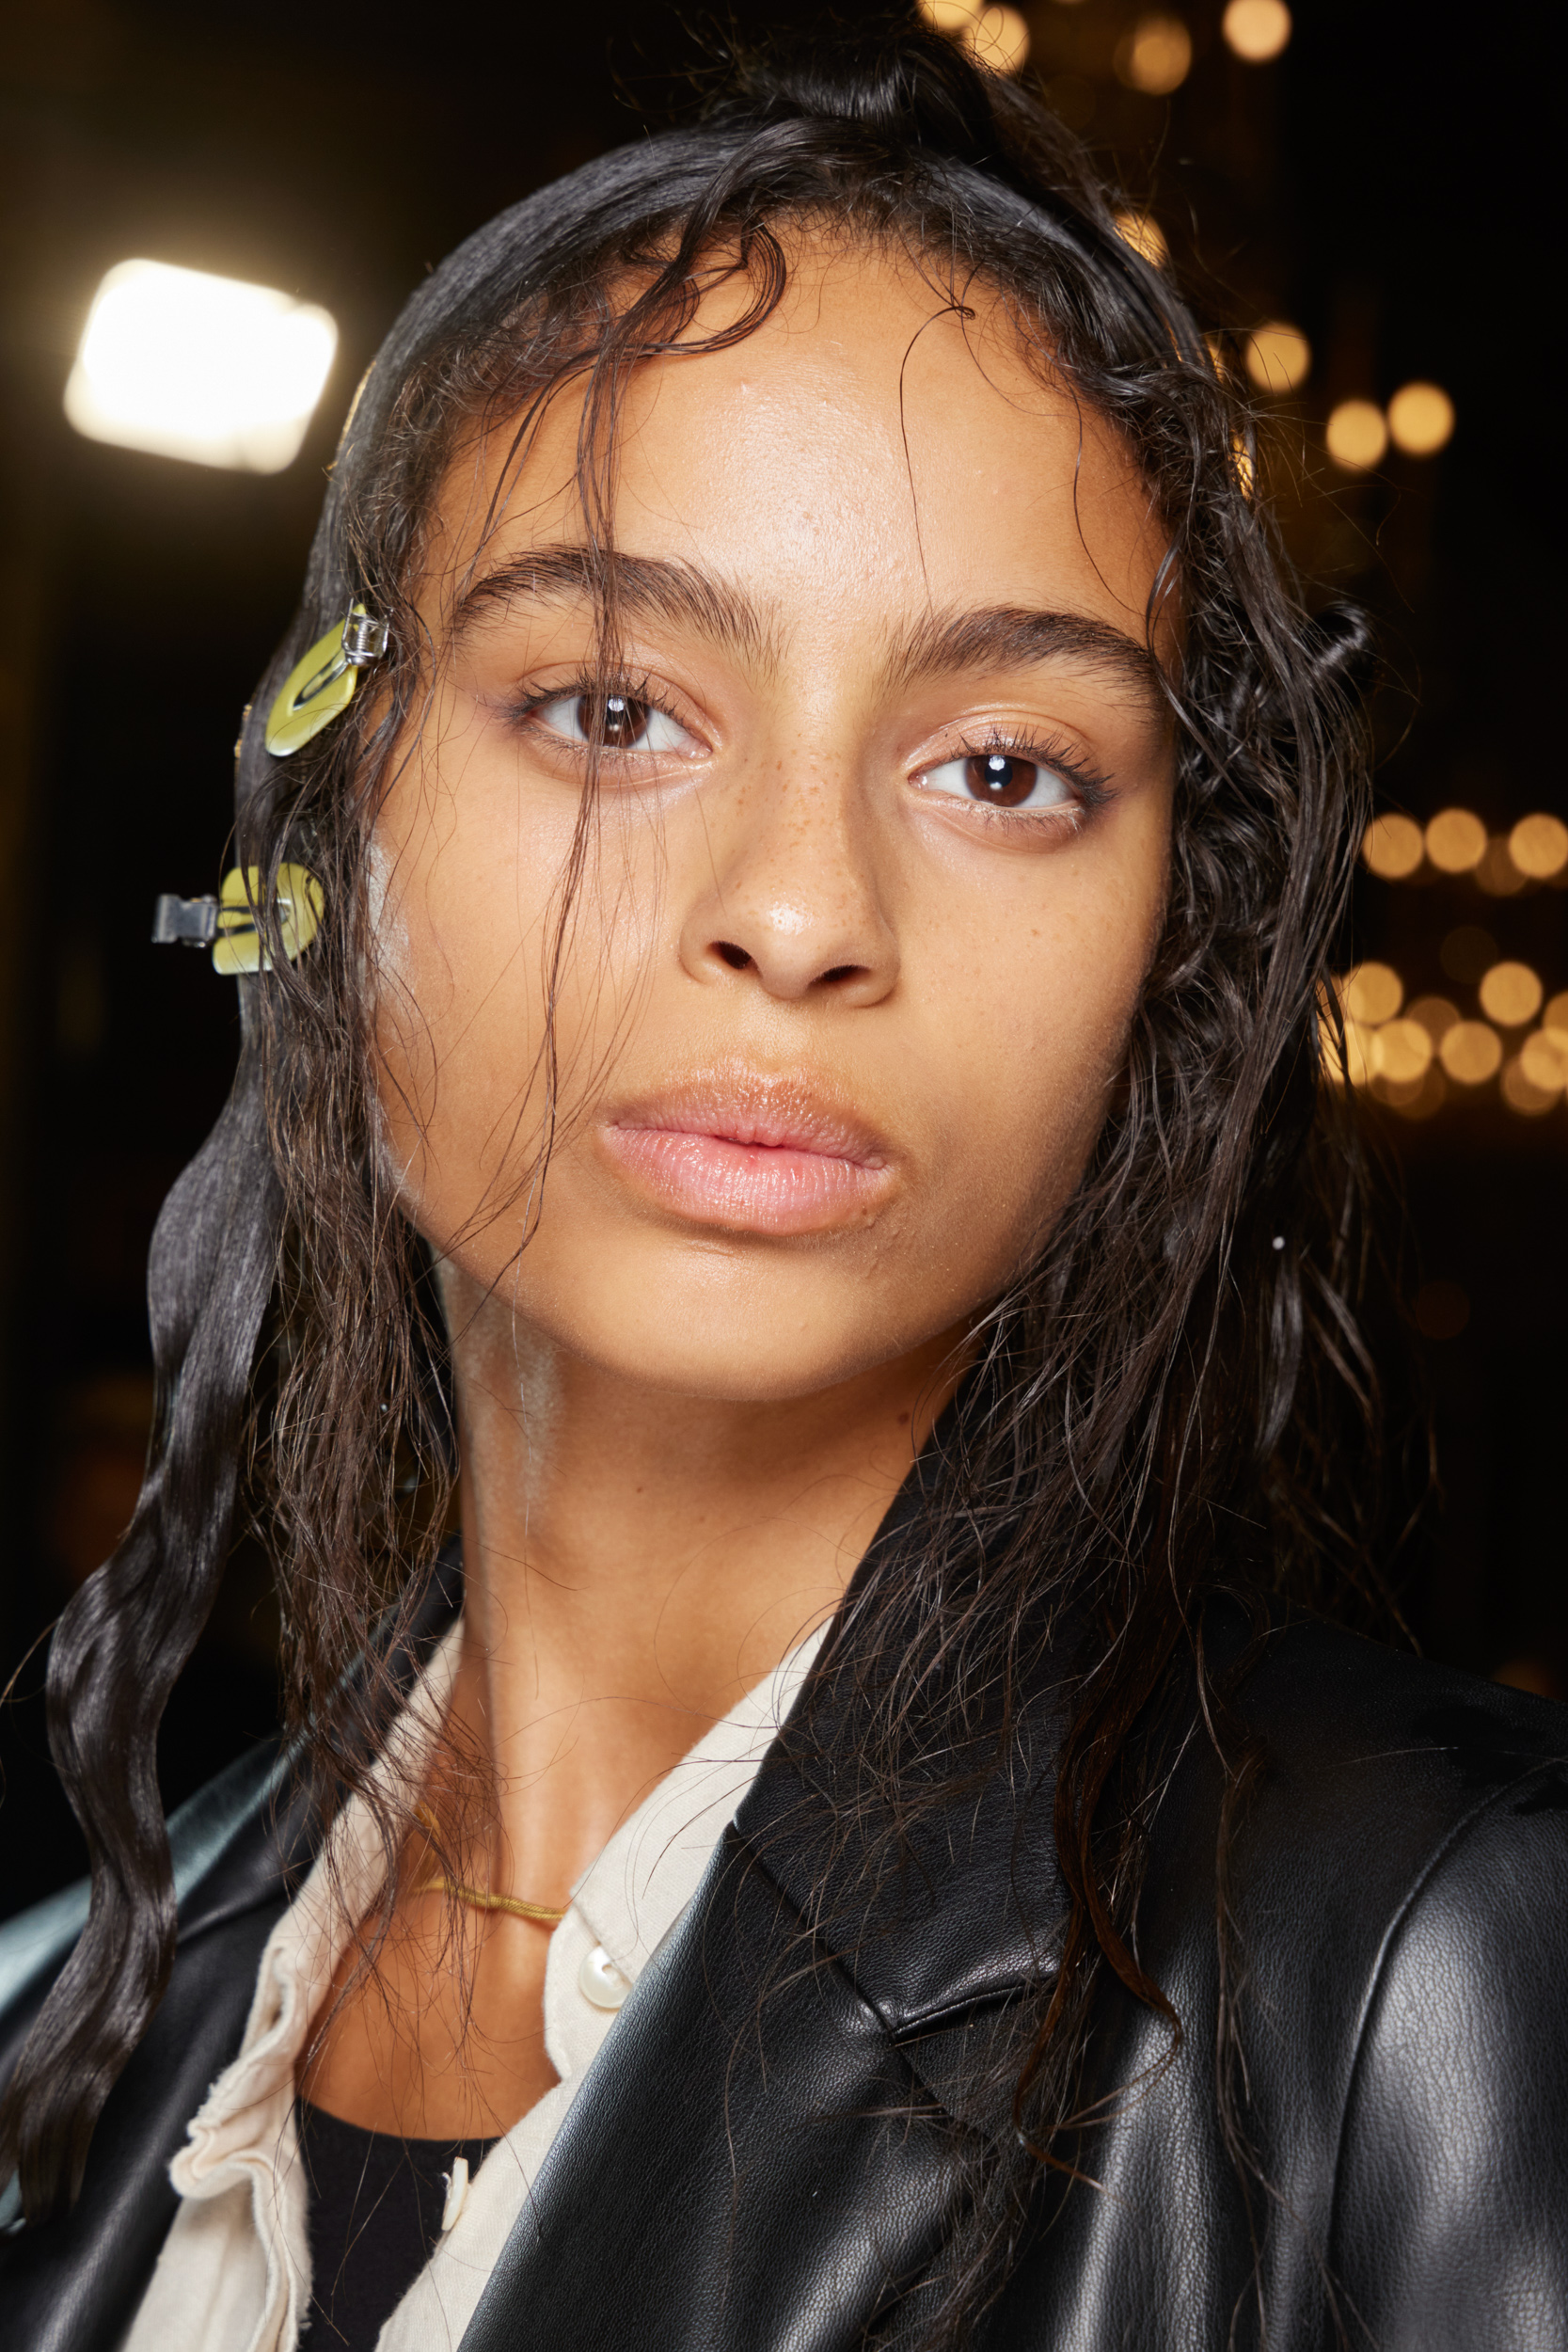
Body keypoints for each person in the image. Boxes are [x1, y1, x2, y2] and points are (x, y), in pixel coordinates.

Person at [3, 21, 1565, 2351]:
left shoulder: (1419, 1975)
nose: (803, 908)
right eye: (614, 709)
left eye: (1004, 767)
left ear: (1168, 950)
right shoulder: (51, 2014)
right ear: (326, 830)